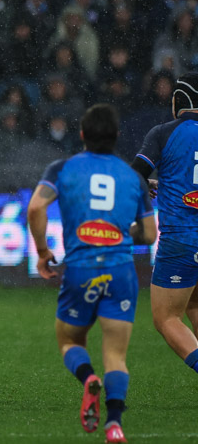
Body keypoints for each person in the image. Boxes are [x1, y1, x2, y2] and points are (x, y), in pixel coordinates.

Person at [28, 104, 155, 443]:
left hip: (81, 269)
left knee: (70, 339)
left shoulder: (63, 168)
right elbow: (150, 234)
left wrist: (43, 252)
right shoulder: (133, 177)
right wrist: (118, 231)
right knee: (116, 354)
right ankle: (114, 425)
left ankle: (87, 380)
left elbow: (36, 207)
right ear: (116, 137)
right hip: (121, 271)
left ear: (82, 134)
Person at [130, 72, 198, 382]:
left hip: (182, 237)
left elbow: (135, 176)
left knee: (166, 318)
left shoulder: (164, 132)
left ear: (179, 101)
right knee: (194, 305)